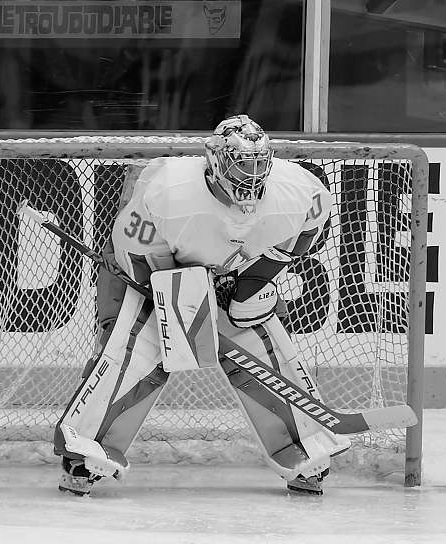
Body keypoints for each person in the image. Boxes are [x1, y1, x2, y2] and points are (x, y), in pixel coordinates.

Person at [53, 114, 348, 496]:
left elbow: (308, 231)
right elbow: (134, 254)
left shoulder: (297, 190)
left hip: (236, 271)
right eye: (242, 165)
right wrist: (176, 299)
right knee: (138, 345)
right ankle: (85, 453)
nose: (251, 176)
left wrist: (250, 283)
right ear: (216, 161)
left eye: (259, 165)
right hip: (158, 270)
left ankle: (307, 449)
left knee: (257, 336)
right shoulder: (168, 191)